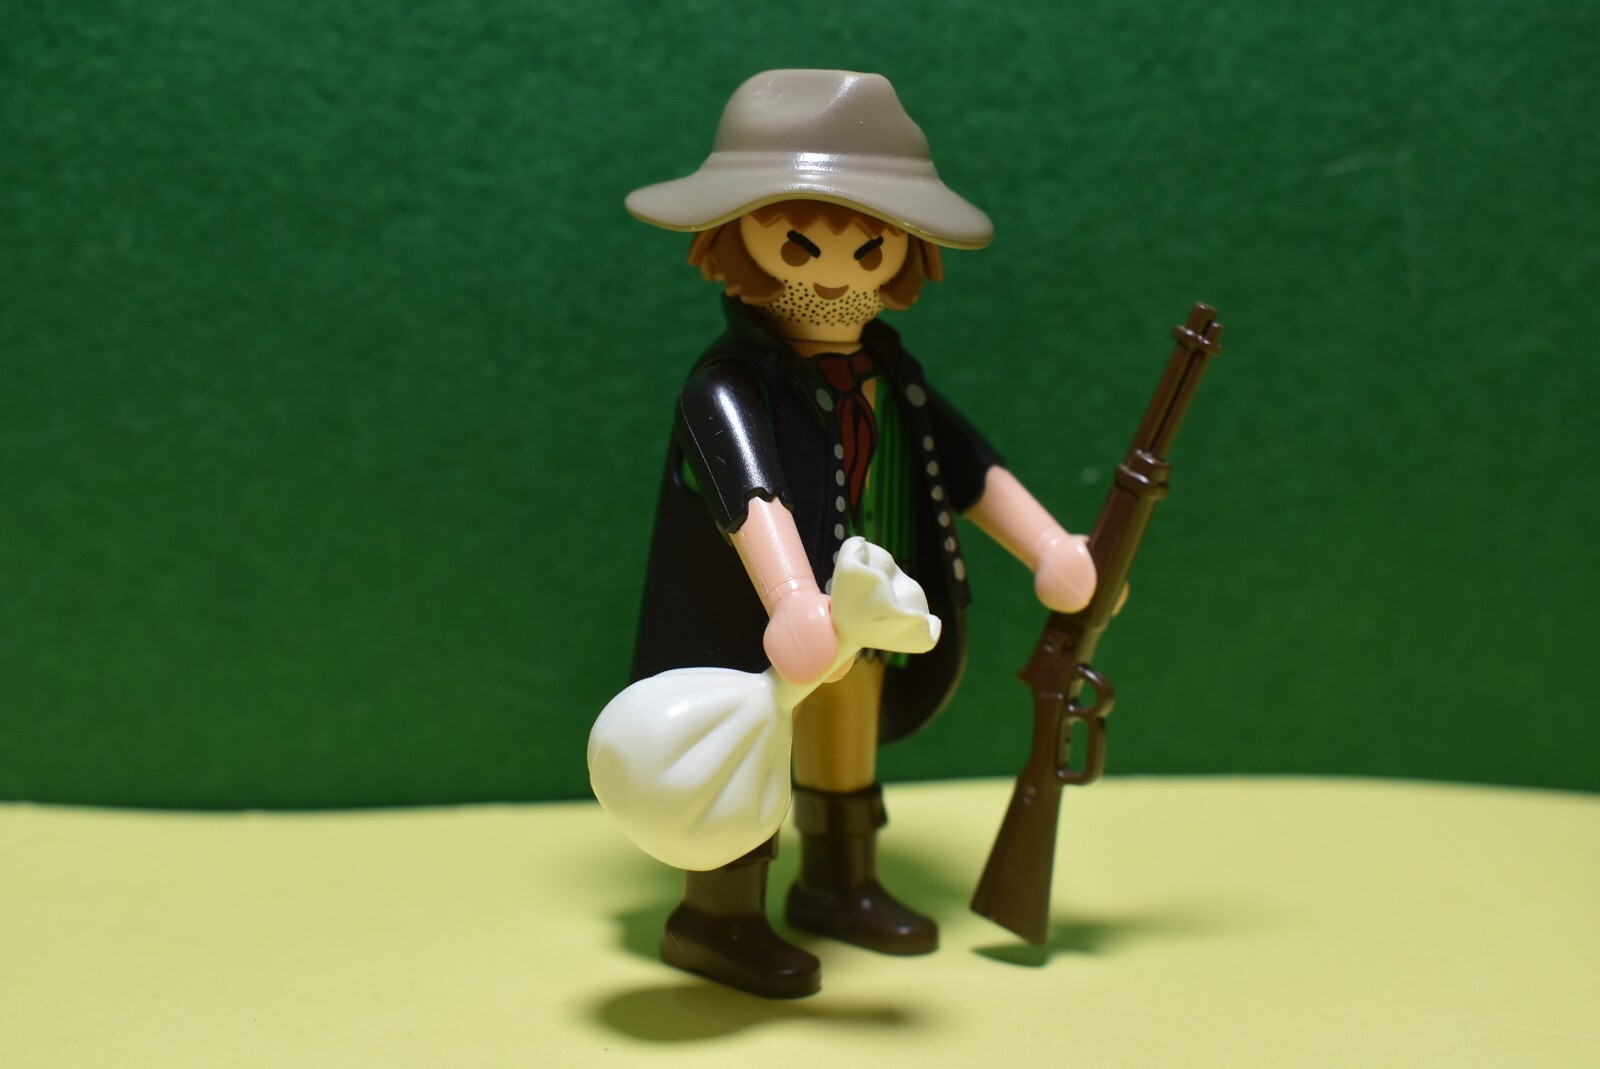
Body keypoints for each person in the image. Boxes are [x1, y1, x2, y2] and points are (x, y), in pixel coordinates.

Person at [625, 69, 1097, 998]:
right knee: (747, 754)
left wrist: (1049, 546)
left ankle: (840, 881)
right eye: (800, 243)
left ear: (905, 250)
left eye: (869, 245)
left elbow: (967, 464)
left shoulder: (890, 371)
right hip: (751, 625)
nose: (836, 274)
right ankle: (715, 914)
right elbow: (750, 497)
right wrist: (790, 599)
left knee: (846, 735)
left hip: (868, 604)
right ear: (734, 237)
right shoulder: (727, 386)